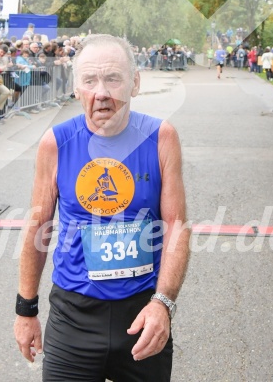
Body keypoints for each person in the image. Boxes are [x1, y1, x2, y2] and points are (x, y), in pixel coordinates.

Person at [14, 34, 190, 382]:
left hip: (143, 313)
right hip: (73, 317)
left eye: (113, 78)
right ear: (76, 88)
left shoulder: (161, 137)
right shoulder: (57, 142)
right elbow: (38, 228)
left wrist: (163, 305)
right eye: (90, 80)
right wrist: (26, 310)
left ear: (135, 83)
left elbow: (176, 228)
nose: (102, 92)